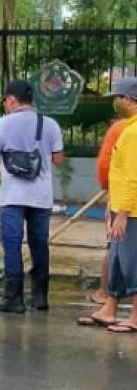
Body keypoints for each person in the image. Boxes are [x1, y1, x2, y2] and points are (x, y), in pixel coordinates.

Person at [0, 79, 65, 313]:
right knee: (39, 245)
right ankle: (40, 298)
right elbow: (58, 159)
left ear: (11, 100)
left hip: (12, 197)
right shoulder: (50, 125)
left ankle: (13, 299)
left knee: (12, 245)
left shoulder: (2, 125)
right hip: (41, 196)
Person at [79, 116, 127, 326]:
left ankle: (105, 294)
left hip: (124, 200)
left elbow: (105, 163)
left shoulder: (122, 129)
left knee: (115, 246)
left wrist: (107, 186)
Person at [99, 78, 137, 335]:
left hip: (131, 211)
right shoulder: (128, 128)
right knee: (118, 261)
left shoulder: (134, 133)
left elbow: (134, 175)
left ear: (130, 100)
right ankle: (109, 309)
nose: (115, 102)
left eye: (118, 97)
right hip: (121, 206)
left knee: (132, 263)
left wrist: (122, 213)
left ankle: (135, 317)